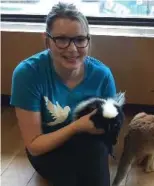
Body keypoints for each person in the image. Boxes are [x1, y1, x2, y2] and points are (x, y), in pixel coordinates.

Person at [10, 2, 116, 186]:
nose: (72, 49)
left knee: (96, 152)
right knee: (73, 177)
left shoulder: (103, 75)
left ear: (88, 40)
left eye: (80, 39)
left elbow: (109, 132)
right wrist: (77, 127)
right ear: (47, 40)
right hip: (46, 149)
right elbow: (35, 146)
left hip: (87, 145)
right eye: (61, 39)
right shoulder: (27, 74)